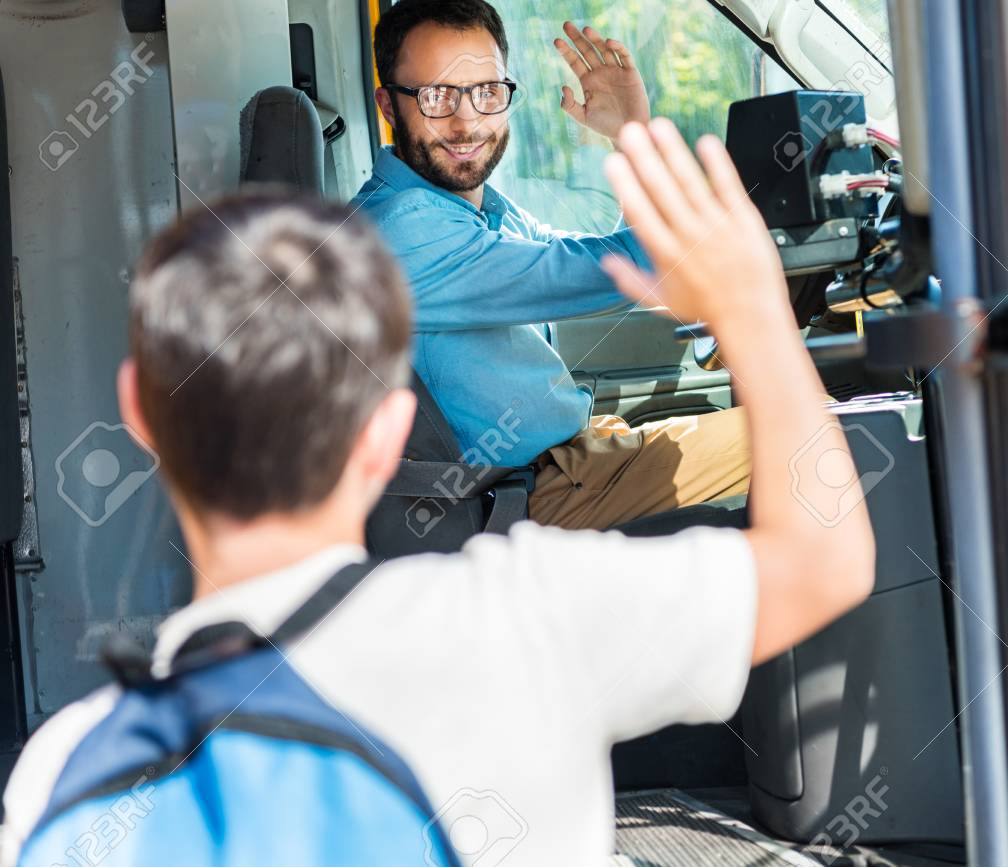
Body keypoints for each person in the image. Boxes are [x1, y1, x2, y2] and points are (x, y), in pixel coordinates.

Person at [0, 120, 874, 866]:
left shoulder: (63, 771)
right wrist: (755, 311)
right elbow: (823, 559)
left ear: (139, 416)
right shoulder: (527, 613)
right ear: (388, 433)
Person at [353, 0, 752, 531]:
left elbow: (613, 260)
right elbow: (610, 269)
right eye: (437, 96)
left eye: (486, 92)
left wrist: (627, 134)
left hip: (573, 458)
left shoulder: (478, 210)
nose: (467, 122)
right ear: (388, 105)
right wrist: (748, 225)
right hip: (526, 496)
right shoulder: (403, 230)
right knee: (818, 434)